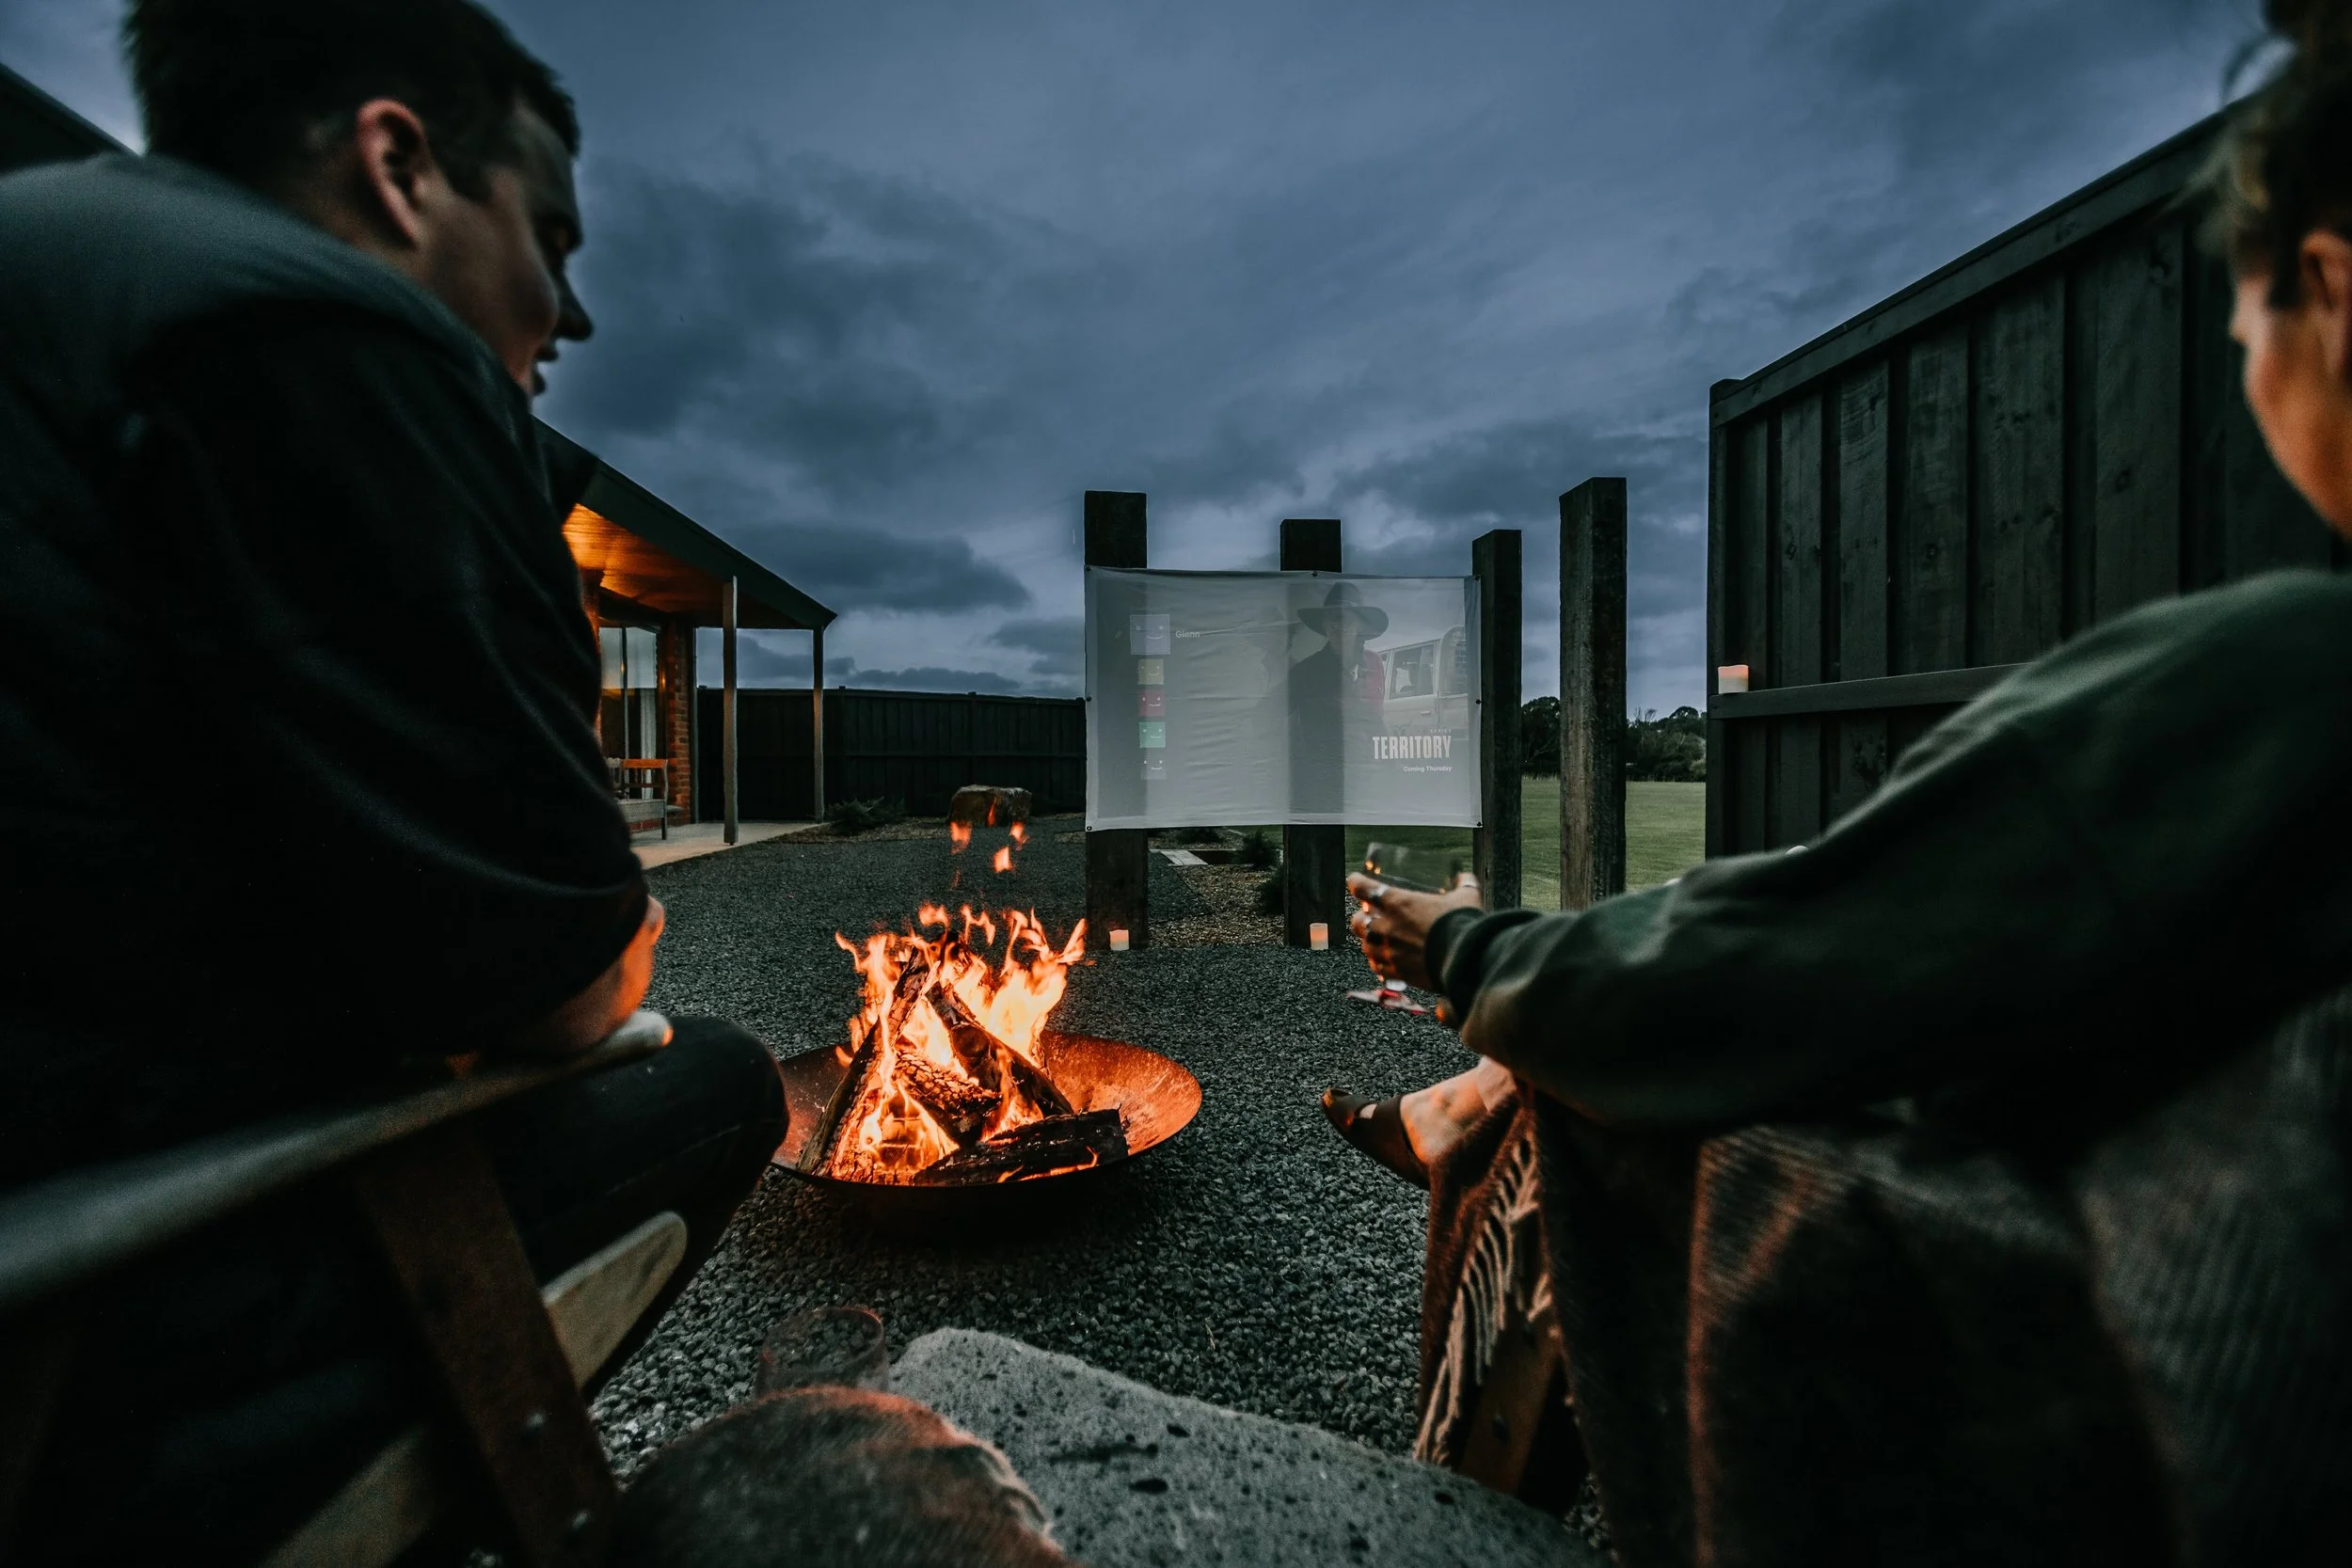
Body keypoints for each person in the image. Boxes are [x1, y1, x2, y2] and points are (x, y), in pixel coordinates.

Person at [1334, 6, 2352, 1562]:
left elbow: (1804, 952)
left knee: (1610, 1061)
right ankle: (1468, 1078)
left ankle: (1424, 1514)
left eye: (2244, 316)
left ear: (2332, 287)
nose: (2235, 348)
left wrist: (1470, 950)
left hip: (2159, 1404)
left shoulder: (2297, 674)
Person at [0, 1, 784, 1560]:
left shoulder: (65, 272)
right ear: (399, 162)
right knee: (719, 1074)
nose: (570, 316)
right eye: (551, 237)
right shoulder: (308, 332)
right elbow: (562, 978)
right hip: (98, 1319)